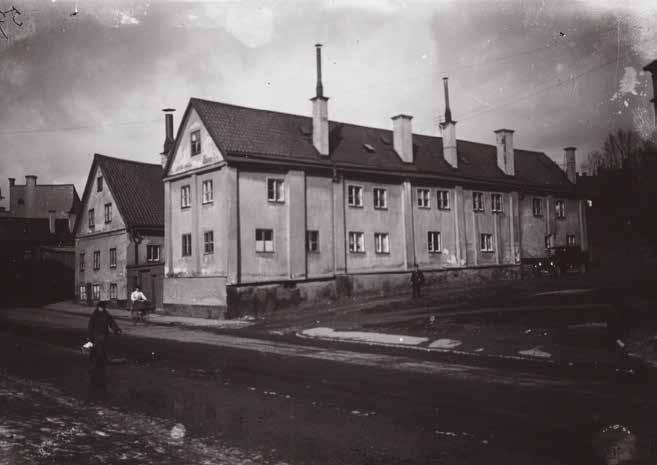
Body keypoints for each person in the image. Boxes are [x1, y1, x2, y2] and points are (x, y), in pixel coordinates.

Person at [87, 301, 122, 395]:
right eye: (101, 308)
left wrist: (116, 329)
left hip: (104, 335)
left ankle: (100, 365)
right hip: (96, 335)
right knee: (97, 351)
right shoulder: (94, 315)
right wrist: (90, 336)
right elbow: (90, 326)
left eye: (103, 308)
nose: (102, 309)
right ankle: (93, 366)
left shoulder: (106, 313)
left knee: (102, 349)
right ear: (98, 307)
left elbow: (111, 322)